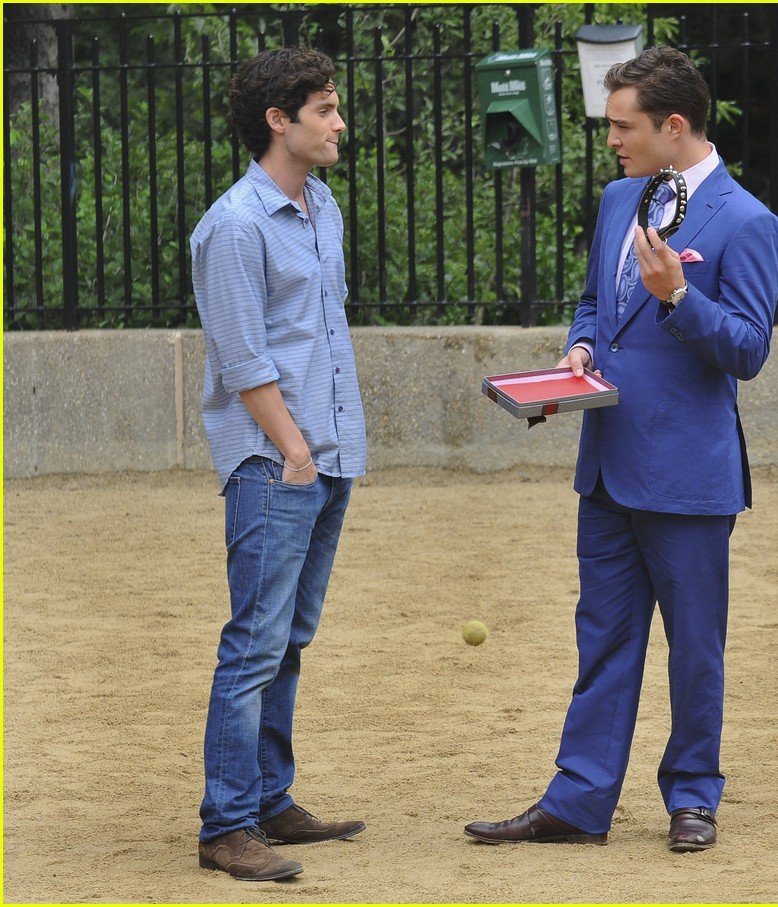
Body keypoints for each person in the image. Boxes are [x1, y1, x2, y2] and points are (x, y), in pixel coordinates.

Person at [464, 47, 778, 853]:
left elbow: (748, 348)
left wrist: (677, 296)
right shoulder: (617, 199)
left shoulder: (749, 222)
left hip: (688, 474)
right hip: (606, 463)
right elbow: (591, 303)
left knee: (694, 647)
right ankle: (577, 801)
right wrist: (576, 349)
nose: (610, 139)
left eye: (623, 125)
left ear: (674, 127)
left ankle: (692, 798)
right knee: (601, 639)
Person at [191, 47, 367, 882]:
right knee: (254, 643)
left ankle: (269, 799)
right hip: (275, 461)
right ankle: (226, 824)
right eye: (326, 109)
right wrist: (293, 449)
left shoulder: (322, 205)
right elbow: (242, 357)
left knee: (288, 639)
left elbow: (322, 334)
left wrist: (331, 449)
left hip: (330, 455)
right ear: (279, 120)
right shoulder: (234, 225)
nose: (339, 124)